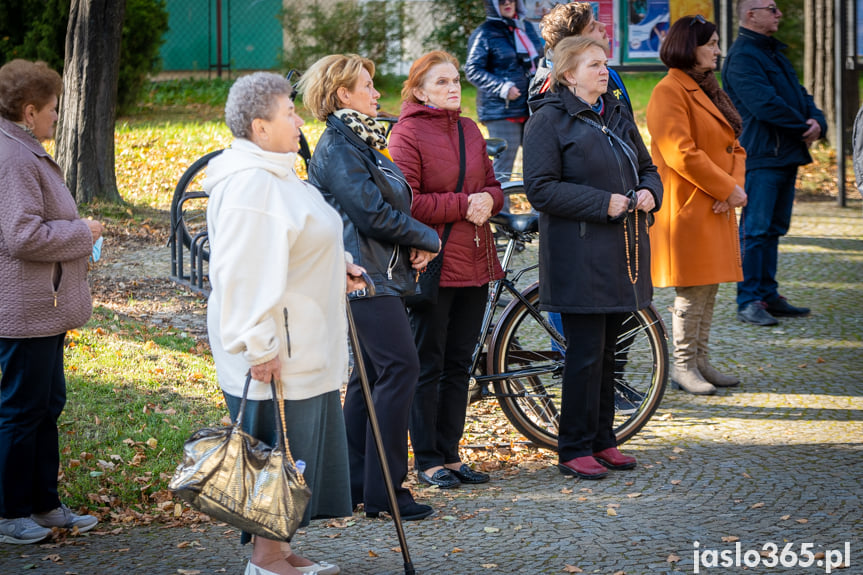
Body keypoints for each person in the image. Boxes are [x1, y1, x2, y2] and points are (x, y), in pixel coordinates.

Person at [204, 72, 359, 575]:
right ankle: (266, 561)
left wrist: (338, 268)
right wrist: (259, 345)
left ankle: (281, 549)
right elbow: (243, 275)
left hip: (303, 344)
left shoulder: (276, 172)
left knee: (298, 456)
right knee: (276, 459)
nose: (298, 119)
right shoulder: (252, 185)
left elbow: (295, 247)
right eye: (288, 112)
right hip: (278, 351)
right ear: (259, 127)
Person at [300, 54, 441, 521]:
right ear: (343, 94)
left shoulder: (362, 140)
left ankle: (356, 485)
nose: (378, 92)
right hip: (362, 277)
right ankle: (387, 490)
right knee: (401, 369)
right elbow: (371, 215)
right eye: (368, 85)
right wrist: (426, 237)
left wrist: (414, 243)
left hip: (380, 271)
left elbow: (391, 205)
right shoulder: (340, 147)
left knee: (369, 379)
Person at [523, 36, 662, 479]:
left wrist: (648, 193)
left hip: (623, 251)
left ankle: (604, 439)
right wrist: (602, 203)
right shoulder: (549, 120)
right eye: (594, 65)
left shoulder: (617, 111)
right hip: (579, 255)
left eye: (605, 64)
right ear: (568, 74)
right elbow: (540, 189)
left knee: (607, 354)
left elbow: (649, 167)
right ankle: (573, 447)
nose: (605, 71)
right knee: (584, 354)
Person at [388, 51, 505, 489]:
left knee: (460, 364)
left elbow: (494, 186)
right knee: (428, 364)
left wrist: (491, 200)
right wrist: (465, 204)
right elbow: (407, 200)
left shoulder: (470, 129)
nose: (454, 88)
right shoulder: (407, 133)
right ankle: (428, 458)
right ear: (419, 90)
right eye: (442, 82)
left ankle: (452, 455)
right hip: (434, 263)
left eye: (456, 80)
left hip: (476, 261)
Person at [0, 59, 102, 545]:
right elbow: (22, 236)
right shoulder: (15, 157)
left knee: (46, 404)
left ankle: (43, 504)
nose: (58, 117)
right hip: (26, 308)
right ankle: (12, 512)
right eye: (54, 109)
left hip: (44, 306)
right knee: (23, 410)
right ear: (29, 110)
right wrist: (82, 232)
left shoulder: (22, 149)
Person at [645, 16, 748, 395]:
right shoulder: (668, 91)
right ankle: (683, 366)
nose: (719, 50)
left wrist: (732, 187)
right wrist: (725, 189)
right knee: (691, 289)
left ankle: (700, 360)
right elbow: (680, 153)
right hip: (687, 206)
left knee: (709, 285)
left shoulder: (706, 87)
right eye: (712, 44)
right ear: (690, 46)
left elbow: (734, 143)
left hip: (714, 202)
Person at [722, 0, 826, 326]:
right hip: (762, 155)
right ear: (751, 14)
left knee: (773, 229)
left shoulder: (772, 51)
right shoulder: (742, 57)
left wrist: (817, 119)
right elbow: (765, 104)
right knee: (755, 229)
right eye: (772, 8)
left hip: (784, 153)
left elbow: (799, 93)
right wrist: (802, 127)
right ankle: (749, 299)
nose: (779, 13)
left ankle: (768, 295)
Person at [465, 0, 542, 181]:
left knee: (539, 162)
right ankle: (500, 208)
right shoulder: (485, 32)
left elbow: (539, 59)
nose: (507, 3)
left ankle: (537, 209)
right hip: (501, 109)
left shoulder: (526, 27)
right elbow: (473, 69)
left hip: (531, 104)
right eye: (500, 0)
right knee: (504, 166)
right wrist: (502, 87)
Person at [528, 1, 633, 117]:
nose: (603, 26)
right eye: (592, 27)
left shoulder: (610, 74)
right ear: (574, 43)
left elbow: (628, 127)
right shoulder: (551, 89)